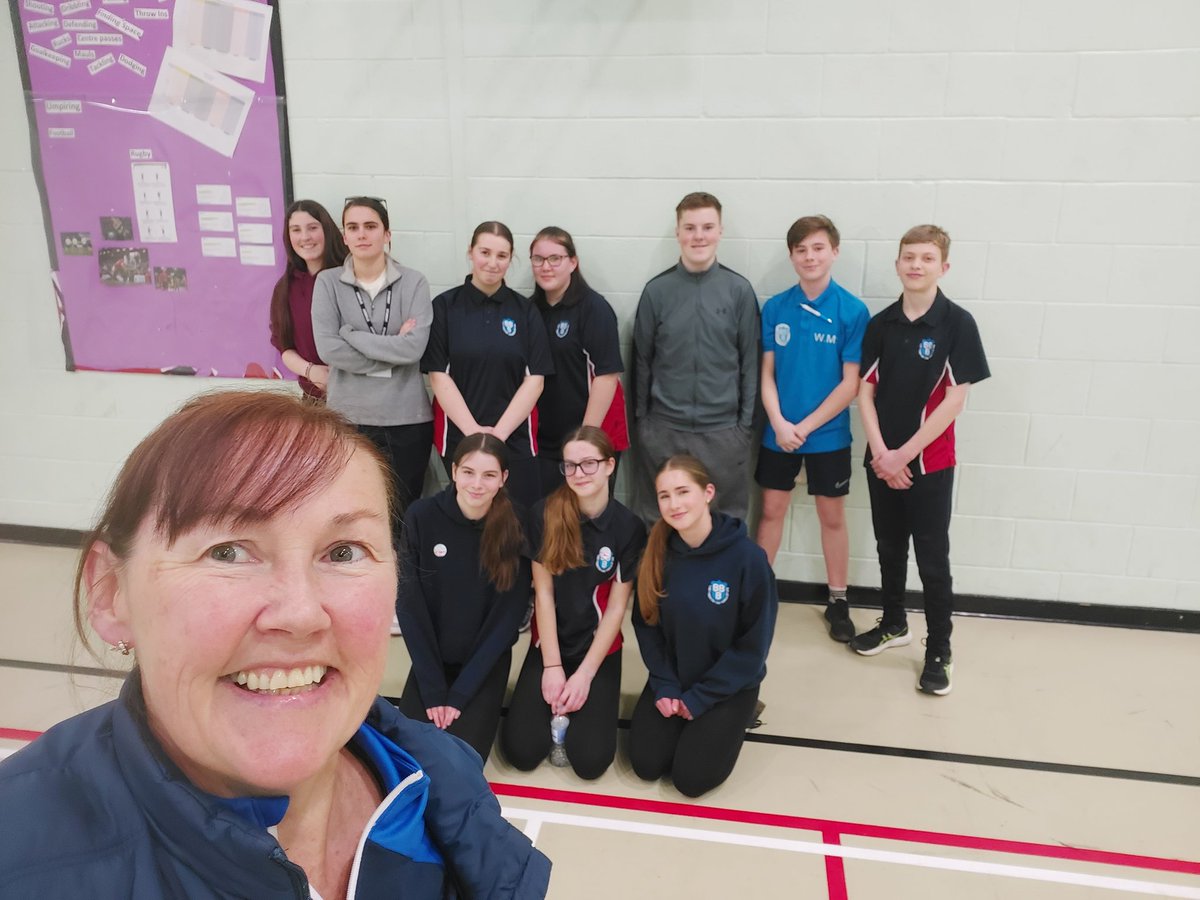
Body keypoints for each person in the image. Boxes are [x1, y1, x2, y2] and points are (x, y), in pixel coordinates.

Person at [0, 391, 550, 899]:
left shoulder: (446, 778)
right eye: (227, 552)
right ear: (112, 592)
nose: (300, 614)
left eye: (343, 552)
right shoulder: (21, 852)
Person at [851, 225, 990, 696]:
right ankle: (894, 623)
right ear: (897, 264)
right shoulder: (880, 324)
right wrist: (881, 454)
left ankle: (939, 651)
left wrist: (903, 455)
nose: (916, 265)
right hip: (882, 461)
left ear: (943, 267)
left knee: (932, 559)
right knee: (888, 547)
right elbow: (864, 393)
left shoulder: (958, 324)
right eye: (908, 256)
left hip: (929, 465)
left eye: (927, 258)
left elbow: (955, 401)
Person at [500, 426, 646, 778]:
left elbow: (615, 609)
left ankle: (574, 710)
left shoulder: (628, 527)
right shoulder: (544, 514)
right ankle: (552, 706)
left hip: (599, 649)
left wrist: (584, 675)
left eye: (589, 464)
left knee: (591, 762)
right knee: (521, 752)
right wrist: (552, 667)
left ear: (610, 466)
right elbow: (544, 595)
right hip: (549, 644)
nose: (578, 474)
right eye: (570, 466)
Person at [629, 455, 778, 798]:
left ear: (708, 492)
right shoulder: (657, 553)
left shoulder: (748, 560)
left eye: (683, 491)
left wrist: (700, 698)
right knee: (647, 765)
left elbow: (752, 649)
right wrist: (665, 685)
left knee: (691, 780)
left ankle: (742, 713)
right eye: (664, 495)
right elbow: (647, 626)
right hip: (674, 679)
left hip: (727, 685)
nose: (674, 503)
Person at [754, 215, 870, 643]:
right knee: (770, 512)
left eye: (818, 248)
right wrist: (780, 423)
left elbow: (850, 384)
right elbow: (766, 374)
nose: (810, 256)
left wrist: (803, 426)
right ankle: (760, 595)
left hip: (826, 436)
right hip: (778, 432)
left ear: (834, 252)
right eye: (801, 250)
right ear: (791, 256)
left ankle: (838, 600)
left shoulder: (852, 311)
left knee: (831, 516)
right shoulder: (776, 308)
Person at [395, 433, 531, 761]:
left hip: (482, 664)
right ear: (454, 471)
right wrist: (433, 688)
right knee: (408, 757)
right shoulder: (422, 516)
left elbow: (505, 621)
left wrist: (459, 695)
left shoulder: (516, 524)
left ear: (504, 479)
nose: (477, 484)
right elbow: (410, 606)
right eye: (468, 472)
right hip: (433, 660)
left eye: (489, 475)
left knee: (460, 761)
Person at [631, 191, 760, 523]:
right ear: (678, 233)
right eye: (690, 227)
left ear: (720, 231)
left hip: (723, 434)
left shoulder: (739, 291)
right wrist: (645, 425)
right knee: (658, 521)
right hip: (663, 431)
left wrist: (742, 428)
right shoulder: (656, 292)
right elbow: (641, 362)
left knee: (723, 523)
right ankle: (659, 578)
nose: (698, 236)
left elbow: (750, 364)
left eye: (707, 227)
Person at [312, 196, 433, 517]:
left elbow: (414, 349)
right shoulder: (327, 283)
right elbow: (328, 350)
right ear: (344, 236)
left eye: (370, 226)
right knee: (352, 513)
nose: (362, 234)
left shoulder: (414, 282)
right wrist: (393, 345)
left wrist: (351, 335)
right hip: (349, 419)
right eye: (353, 227)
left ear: (387, 234)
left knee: (403, 515)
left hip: (407, 419)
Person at [421, 221, 553, 510]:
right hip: (459, 435)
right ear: (471, 252)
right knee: (470, 518)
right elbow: (439, 376)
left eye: (502, 256)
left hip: (514, 438)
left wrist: (498, 436)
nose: (493, 263)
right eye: (485, 252)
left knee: (517, 522)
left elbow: (535, 380)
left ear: (511, 259)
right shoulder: (445, 306)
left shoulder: (525, 310)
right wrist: (474, 434)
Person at [528, 227, 628, 496]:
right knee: (549, 521)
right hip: (545, 441)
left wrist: (584, 442)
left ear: (573, 262)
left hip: (590, 438)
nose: (545, 267)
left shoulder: (594, 309)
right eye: (538, 259)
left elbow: (607, 377)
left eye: (555, 259)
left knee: (588, 522)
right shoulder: (530, 310)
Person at [269, 199, 348, 400]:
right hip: (315, 401)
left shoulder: (351, 276)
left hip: (358, 399)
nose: (305, 237)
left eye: (312, 228)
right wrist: (311, 371)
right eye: (296, 230)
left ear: (327, 230)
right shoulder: (286, 287)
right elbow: (284, 345)